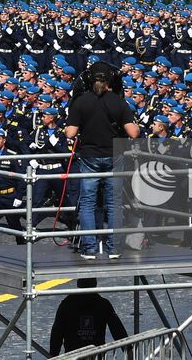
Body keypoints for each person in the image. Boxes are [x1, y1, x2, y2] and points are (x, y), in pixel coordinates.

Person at [64, 62, 139, 261]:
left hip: (89, 156)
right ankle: (114, 248)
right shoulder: (118, 101)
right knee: (113, 204)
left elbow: (70, 133)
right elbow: (133, 133)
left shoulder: (81, 101)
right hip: (114, 155)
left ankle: (89, 248)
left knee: (88, 203)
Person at [47, 278, 128, 355]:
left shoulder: (67, 304)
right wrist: (128, 349)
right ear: (95, 283)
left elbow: (57, 333)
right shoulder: (103, 304)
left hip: (73, 355)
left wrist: (53, 354)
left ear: (78, 283)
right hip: (96, 355)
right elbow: (118, 329)